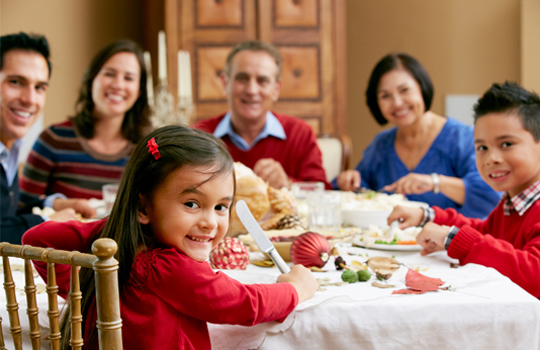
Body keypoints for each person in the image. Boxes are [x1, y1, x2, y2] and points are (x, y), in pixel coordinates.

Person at [22, 125, 318, 350]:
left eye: (220, 207)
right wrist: (295, 289)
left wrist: (82, 286)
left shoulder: (118, 242)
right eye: (192, 204)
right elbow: (243, 303)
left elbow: (37, 239)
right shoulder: (167, 267)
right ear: (143, 207)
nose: (210, 222)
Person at [388, 82, 540, 298]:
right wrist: (428, 216)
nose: (491, 158)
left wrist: (452, 238)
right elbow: (484, 232)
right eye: (482, 148)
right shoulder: (511, 204)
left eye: (506, 144)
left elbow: (534, 274)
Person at [335, 53, 500, 218]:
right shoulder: (381, 145)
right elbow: (362, 190)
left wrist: (435, 182)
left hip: (450, 240)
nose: (397, 103)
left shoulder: (462, 138)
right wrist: (350, 180)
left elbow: (491, 195)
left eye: (404, 90)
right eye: (385, 96)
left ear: (422, 88)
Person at [20, 39, 151, 202]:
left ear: (139, 91)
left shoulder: (147, 151)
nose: (118, 84)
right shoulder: (53, 139)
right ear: (91, 81)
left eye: (129, 78)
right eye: (109, 74)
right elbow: (22, 208)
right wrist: (56, 204)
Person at [193, 40, 330, 189]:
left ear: (276, 89)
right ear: (226, 83)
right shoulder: (200, 136)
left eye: (262, 80)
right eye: (242, 79)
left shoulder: (300, 134)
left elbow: (323, 193)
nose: (252, 90)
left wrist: (288, 184)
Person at [0, 32, 91, 244]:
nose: (30, 99)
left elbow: (6, 209)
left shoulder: (10, 148)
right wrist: (45, 220)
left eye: (39, 87)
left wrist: (55, 204)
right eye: (16, 82)